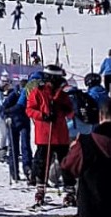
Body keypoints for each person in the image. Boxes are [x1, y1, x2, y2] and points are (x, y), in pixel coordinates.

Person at [26, 64, 75, 207]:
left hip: (60, 136)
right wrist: (43, 115)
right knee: (42, 163)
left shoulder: (63, 94)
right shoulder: (38, 92)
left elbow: (71, 112)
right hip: (44, 135)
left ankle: (69, 190)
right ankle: (40, 187)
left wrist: (66, 110)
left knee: (65, 164)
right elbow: (29, 110)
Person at [1, 74, 35, 183]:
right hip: (13, 124)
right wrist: (6, 117)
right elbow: (3, 109)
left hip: (24, 122)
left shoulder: (29, 94)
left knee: (25, 146)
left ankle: (27, 169)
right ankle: (14, 172)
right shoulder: (13, 95)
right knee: (14, 148)